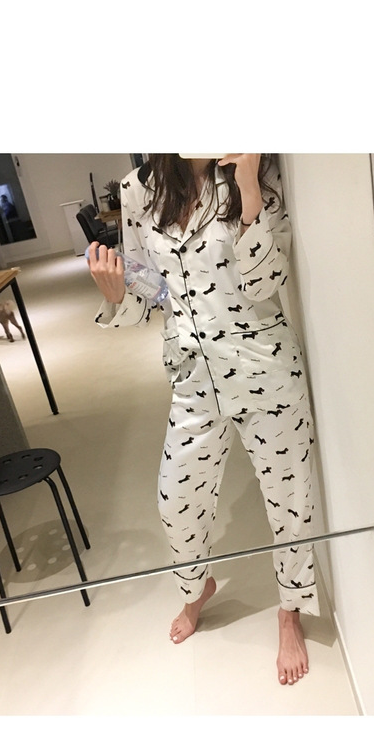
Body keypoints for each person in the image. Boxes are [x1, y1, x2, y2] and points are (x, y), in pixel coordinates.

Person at [87, 154, 318, 686]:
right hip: (193, 376)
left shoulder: (257, 168)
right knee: (176, 502)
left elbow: (267, 283)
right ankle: (197, 588)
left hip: (264, 367)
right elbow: (152, 292)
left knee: (289, 500)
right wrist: (117, 295)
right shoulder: (139, 189)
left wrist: (248, 189)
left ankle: (290, 611)